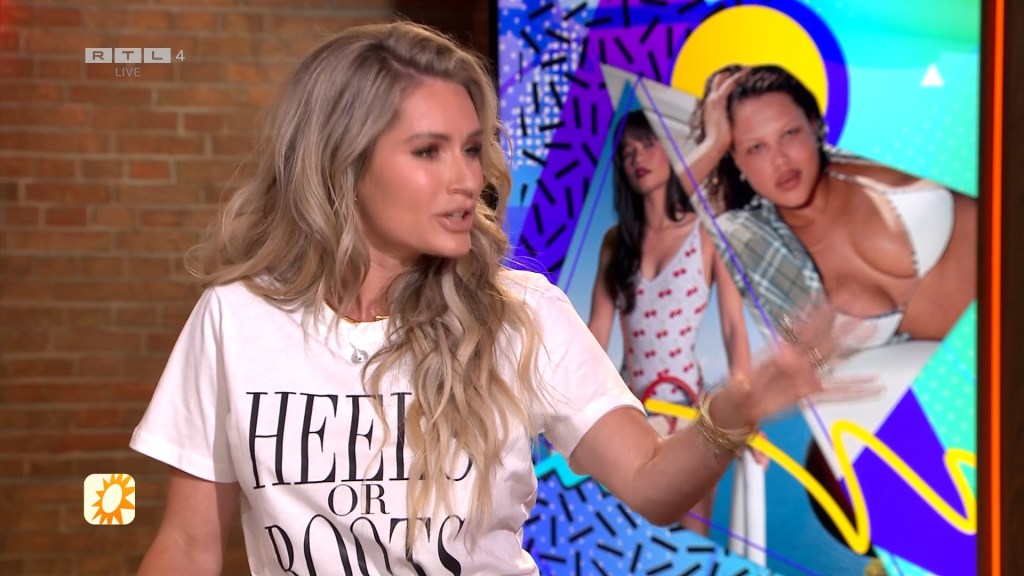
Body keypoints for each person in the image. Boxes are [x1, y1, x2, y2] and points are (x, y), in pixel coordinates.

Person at [130, 23, 856, 576]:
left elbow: (650, 485)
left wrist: (729, 418)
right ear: (343, 164)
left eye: (472, 148)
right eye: (429, 151)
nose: (466, 178)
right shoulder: (236, 318)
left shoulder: (523, 313)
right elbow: (189, 545)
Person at [683, 64, 977, 345]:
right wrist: (712, 146)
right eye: (757, 147)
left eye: (789, 133)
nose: (780, 159)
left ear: (813, 125)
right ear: (735, 159)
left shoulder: (869, 144)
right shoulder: (757, 249)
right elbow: (657, 218)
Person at [588, 110, 752, 534]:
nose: (637, 158)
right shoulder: (615, 242)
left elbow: (733, 328)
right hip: (627, 415)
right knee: (625, 541)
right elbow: (595, 336)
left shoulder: (709, 235)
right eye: (627, 152)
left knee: (692, 543)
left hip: (691, 414)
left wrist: (745, 410)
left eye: (648, 144)